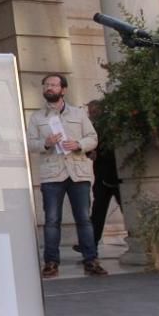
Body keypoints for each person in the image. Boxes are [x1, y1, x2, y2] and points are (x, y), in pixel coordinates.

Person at [26, 74, 107, 277]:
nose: (49, 88)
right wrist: (46, 143)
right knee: (52, 220)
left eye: (54, 85)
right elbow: (29, 143)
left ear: (63, 90)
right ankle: (51, 262)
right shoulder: (37, 117)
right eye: (46, 85)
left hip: (78, 173)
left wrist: (78, 144)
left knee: (84, 219)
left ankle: (91, 260)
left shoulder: (78, 114)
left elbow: (93, 138)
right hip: (52, 174)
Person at [85, 100, 121, 249]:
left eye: (93, 112)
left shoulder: (110, 127)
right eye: (90, 112)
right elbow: (90, 149)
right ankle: (90, 243)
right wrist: (89, 153)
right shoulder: (92, 128)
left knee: (124, 208)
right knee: (98, 211)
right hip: (101, 176)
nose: (91, 115)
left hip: (117, 175)